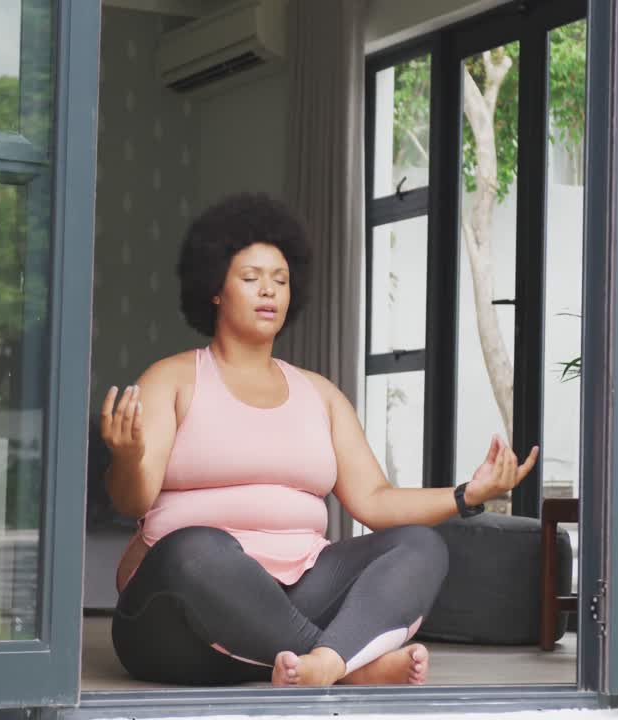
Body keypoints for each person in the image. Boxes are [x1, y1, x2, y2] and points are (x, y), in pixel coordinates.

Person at [102, 193, 538, 687]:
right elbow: (130, 498)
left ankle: (317, 662)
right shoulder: (174, 379)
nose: (268, 290)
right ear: (216, 289)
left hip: (299, 591)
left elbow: (375, 501)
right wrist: (129, 455)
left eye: (280, 280)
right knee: (195, 549)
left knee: (421, 546)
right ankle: (350, 665)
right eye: (251, 278)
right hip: (180, 618)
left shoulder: (320, 394)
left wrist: (467, 496)